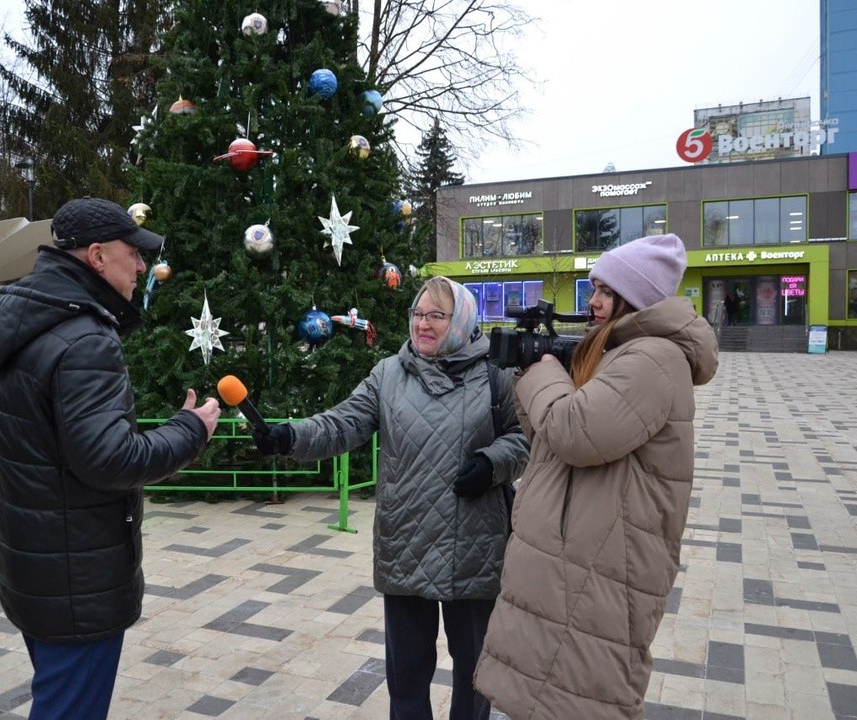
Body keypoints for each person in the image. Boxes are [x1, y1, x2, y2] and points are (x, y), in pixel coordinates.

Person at [0, 197, 223, 719]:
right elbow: (110, 460)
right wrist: (190, 430)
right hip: (75, 581)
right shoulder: (84, 337)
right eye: (133, 253)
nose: (141, 267)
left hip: (33, 567)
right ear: (96, 256)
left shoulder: (21, 322)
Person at [252, 276, 529, 720]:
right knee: (406, 675)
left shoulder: (496, 374)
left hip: (476, 545)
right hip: (406, 542)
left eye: (436, 316)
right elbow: (342, 423)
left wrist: (492, 463)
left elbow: (525, 438)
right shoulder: (388, 373)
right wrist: (289, 437)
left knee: (477, 671)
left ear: (460, 321)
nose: (423, 324)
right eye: (418, 315)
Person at [474, 234, 718, 720]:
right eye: (595, 289)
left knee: (576, 695)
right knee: (543, 690)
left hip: (600, 566)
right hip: (576, 559)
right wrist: (539, 378)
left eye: (607, 291)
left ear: (637, 298)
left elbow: (575, 432)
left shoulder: (652, 359)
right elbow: (550, 438)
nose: (594, 303)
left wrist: (543, 371)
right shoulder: (621, 354)